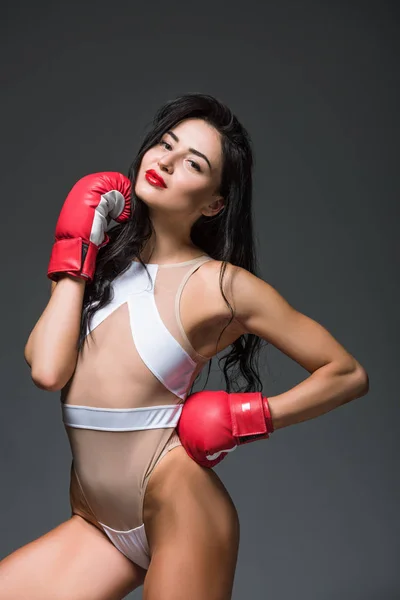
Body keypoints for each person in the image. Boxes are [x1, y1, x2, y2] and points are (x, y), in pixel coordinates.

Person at [0, 93, 369, 600]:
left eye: (192, 163)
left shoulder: (219, 284)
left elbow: (346, 372)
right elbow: (47, 368)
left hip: (179, 505)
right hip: (97, 522)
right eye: (165, 145)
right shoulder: (99, 257)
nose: (167, 162)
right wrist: (76, 250)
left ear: (214, 203)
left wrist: (247, 419)